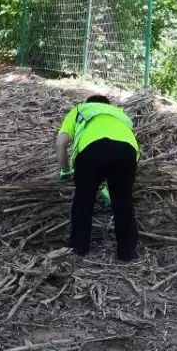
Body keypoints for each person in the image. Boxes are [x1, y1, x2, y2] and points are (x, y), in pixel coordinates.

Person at [56, 95, 141, 261]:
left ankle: (79, 248)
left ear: (88, 103)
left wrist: (65, 170)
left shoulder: (80, 109)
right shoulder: (119, 114)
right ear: (108, 105)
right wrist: (112, 190)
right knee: (123, 200)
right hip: (127, 152)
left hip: (92, 150)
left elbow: (60, 143)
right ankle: (127, 253)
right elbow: (123, 151)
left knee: (84, 199)